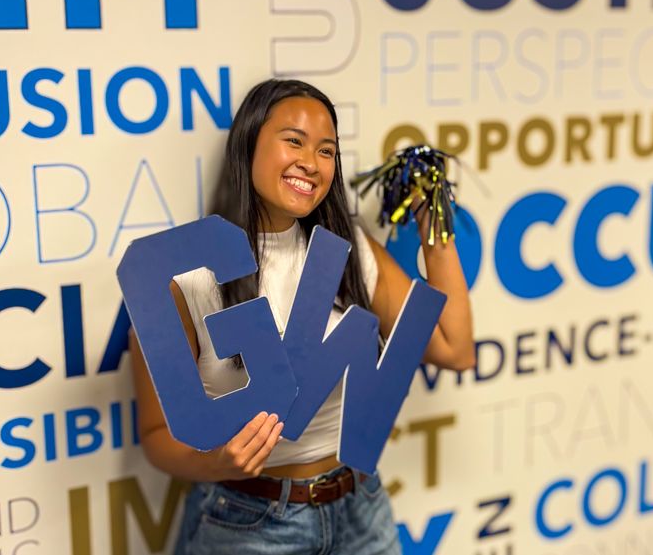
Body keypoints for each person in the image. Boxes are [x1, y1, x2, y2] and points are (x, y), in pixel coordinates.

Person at [129, 78, 475, 554]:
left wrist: (433, 218)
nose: (311, 163)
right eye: (294, 140)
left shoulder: (350, 251)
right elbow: (155, 436)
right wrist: (219, 463)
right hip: (248, 524)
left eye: (327, 150)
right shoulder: (186, 277)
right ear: (249, 143)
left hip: (359, 509)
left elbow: (454, 348)